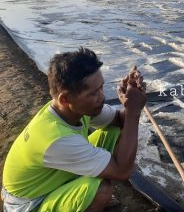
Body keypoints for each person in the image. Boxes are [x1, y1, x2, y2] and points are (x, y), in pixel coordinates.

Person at [1, 47, 147, 212]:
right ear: (65, 99)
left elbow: (120, 120)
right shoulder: (56, 139)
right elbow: (122, 172)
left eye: (101, 88)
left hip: (49, 181)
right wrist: (134, 111)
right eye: (93, 93)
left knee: (114, 130)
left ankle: (75, 196)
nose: (102, 97)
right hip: (29, 203)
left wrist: (129, 101)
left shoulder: (70, 109)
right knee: (100, 190)